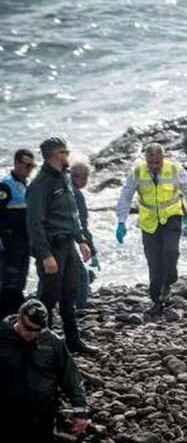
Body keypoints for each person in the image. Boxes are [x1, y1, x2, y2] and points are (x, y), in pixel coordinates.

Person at [0, 299, 89, 443]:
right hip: (7, 417)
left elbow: (71, 376)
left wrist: (80, 411)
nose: (30, 335)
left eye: (36, 331)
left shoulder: (52, 342)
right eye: (27, 328)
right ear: (19, 317)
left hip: (42, 416)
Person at [26, 136, 98, 355]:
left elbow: (72, 213)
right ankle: (38, 344)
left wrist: (81, 239)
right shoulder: (40, 185)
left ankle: (73, 341)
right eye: (66, 152)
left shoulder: (64, 177)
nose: (69, 156)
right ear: (56, 155)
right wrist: (45, 254)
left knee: (70, 293)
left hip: (68, 245)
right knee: (48, 296)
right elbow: (34, 223)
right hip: (52, 248)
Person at [115, 143, 187, 315]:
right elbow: (125, 196)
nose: (154, 167)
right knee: (154, 262)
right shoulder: (137, 173)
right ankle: (157, 299)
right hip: (149, 222)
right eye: (151, 163)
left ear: (163, 159)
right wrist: (121, 221)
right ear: (146, 160)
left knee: (170, 252)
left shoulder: (175, 169)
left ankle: (169, 282)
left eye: (158, 163)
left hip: (172, 217)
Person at [0, 149, 35, 319]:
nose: (29, 169)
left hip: (23, 241)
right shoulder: (6, 185)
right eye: (27, 165)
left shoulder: (26, 184)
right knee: (9, 282)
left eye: (32, 166)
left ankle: (15, 317)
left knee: (20, 280)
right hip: (8, 242)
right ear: (16, 163)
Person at [70, 162, 99, 310]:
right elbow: (82, 224)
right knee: (82, 275)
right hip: (65, 239)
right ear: (83, 177)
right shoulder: (76, 194)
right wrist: (92, 250)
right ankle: (81, 308)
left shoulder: (60, 187)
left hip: (48, 238)